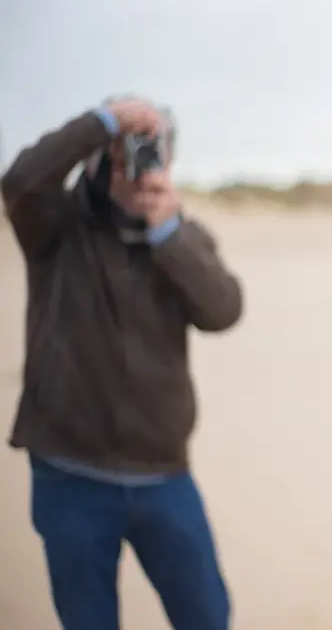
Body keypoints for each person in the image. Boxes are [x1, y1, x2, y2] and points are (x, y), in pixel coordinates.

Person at [1, 98, 243, 630]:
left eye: (146, 154)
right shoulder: (56, 229)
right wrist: (102, 122)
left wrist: (168, 234)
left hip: (164, 474)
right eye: (119, 157)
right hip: (70, 475)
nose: (131, 171)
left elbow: (223, 311)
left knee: (207, 617)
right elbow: (19, 180)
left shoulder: (184, 236)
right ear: (93, 160)